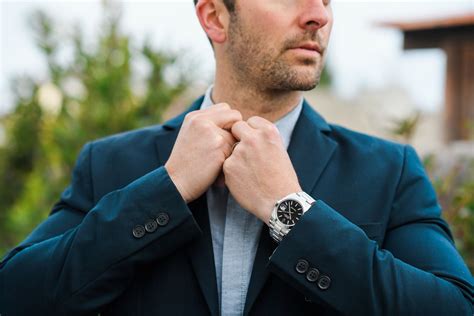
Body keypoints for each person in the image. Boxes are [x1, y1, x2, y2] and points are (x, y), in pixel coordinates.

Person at [1, 0, 472, 315]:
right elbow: (15, 294)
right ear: (215, 17)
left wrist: (291, 210)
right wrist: (164, 192)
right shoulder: (109, 164)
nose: (318, 16)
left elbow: (454, 307)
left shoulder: (389, 171)